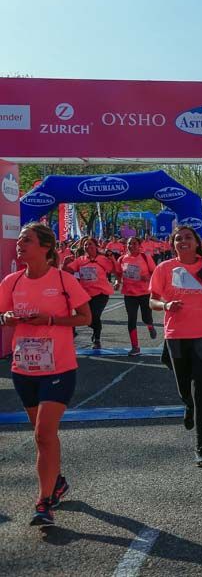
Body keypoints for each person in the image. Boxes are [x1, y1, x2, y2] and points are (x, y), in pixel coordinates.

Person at [0, 223, 92, 526]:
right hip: (24, 369)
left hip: (59, 369)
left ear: (45, 247)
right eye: (19, 240)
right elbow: (1, 315)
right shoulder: (11, 283)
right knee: (44, 438)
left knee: (43, 434)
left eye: (27, 240)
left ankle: (44, 502)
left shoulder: (64, 280)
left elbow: (85, 317)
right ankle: (57, 480)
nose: (20, 244)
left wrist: (50, 319)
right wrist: (7, 317)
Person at [149, 226, 202, 467]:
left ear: (196, 242)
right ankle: (187, 404)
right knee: (184, 388)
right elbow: (152, 300)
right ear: (173, 244)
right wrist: (165, 305)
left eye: (187, 238)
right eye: (178, 238)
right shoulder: (164, 268)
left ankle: (200, 446)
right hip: (176, 335)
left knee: (201, 388)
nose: (183, 241)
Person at [63, 237, 119, 351]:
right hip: (85, 294)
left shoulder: (103, 259)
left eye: (90, 244)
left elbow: (114, 270)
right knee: (87, 318)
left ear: (96, 246)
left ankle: (96, 339)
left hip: (101, 293)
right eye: (85, 245)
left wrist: (112, 259)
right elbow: (67, 272)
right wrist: (65, 263)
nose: (88, 247)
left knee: (94, 316)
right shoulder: (80, 260)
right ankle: (90, 334)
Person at [119, 237, 158, 356]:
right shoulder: (122, 259)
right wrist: (117, 281)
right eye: (129, 243)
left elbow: (155, 272)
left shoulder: (145, 257)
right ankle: (135, 347)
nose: (131, 246)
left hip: (144, 293)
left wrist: (147, 278)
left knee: (146, 317)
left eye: (134, 243)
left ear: (139, 245)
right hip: (129, 293)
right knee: (131, 319)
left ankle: (150, 326)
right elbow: (118, 272)